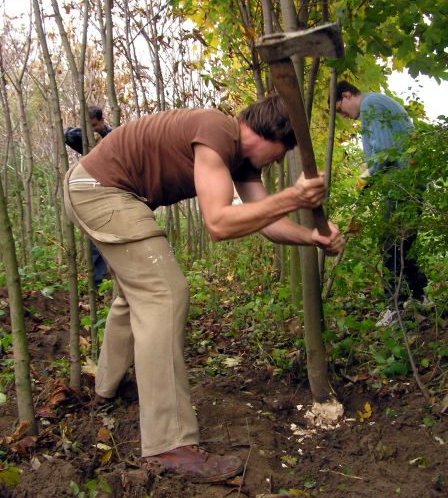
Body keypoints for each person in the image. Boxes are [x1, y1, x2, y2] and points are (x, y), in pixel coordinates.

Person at [63, 95, 344, 483]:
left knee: (136, 292)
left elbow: (267, 221)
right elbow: (218, 223)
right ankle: (168, 445)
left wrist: (312, 237)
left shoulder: (242, 162)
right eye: (284, 150)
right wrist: (293, 196)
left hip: (102, 190)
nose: (280, 161)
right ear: (273, 133)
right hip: (99, 190)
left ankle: (107, 387)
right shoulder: (217, 130)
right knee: (164, 293)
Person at [335, 80, 428, 326]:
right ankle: (419, 297)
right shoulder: (379, 102)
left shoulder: (371, 105)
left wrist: (367, 176)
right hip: (408, 181)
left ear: (347, 95)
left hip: (401, 184)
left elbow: (385, 151)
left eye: (341, 109)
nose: (344, 116)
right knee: (404, 243)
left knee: (389, 245)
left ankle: (395, 307)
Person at [64, 105, 112, 287]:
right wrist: (87, 133)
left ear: (102, 120)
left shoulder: (111, 136)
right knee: (95, 237)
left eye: (94, 125)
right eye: (87, 127)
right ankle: (98, 282)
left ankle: (113, 277)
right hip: (91, 192)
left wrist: (102, 134)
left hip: (111, 190)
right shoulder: (83, 139)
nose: (92, 130)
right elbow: (67, 135)